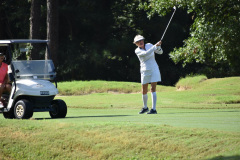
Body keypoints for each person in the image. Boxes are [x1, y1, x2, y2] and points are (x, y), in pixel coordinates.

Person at [133, 35, 163, 114]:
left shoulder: (149, 45)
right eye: (138, 41)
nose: (140, 42)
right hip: (145, 70)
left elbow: (160, 52)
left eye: (141, 40)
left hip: (154, 68)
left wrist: (158, 47)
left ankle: (154, 109)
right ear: (135, 43)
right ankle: (145, 107)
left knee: (153, 89)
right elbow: (146, 53)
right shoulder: (137, 51)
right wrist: (155, 46)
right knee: (144, 90)